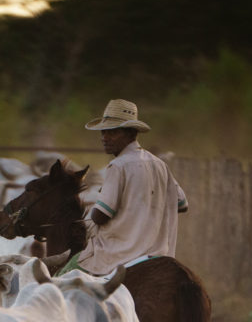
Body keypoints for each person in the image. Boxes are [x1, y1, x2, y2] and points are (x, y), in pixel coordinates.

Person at [75, 99, 188, 276]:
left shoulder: (118, 166)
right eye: (104, 132)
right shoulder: (160, 165)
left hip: (119, 256)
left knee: (67, 274)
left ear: (131, 133)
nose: (105, 138)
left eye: (112, 132)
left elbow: (101, 216)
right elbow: (182, 204)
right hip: (158, 255)